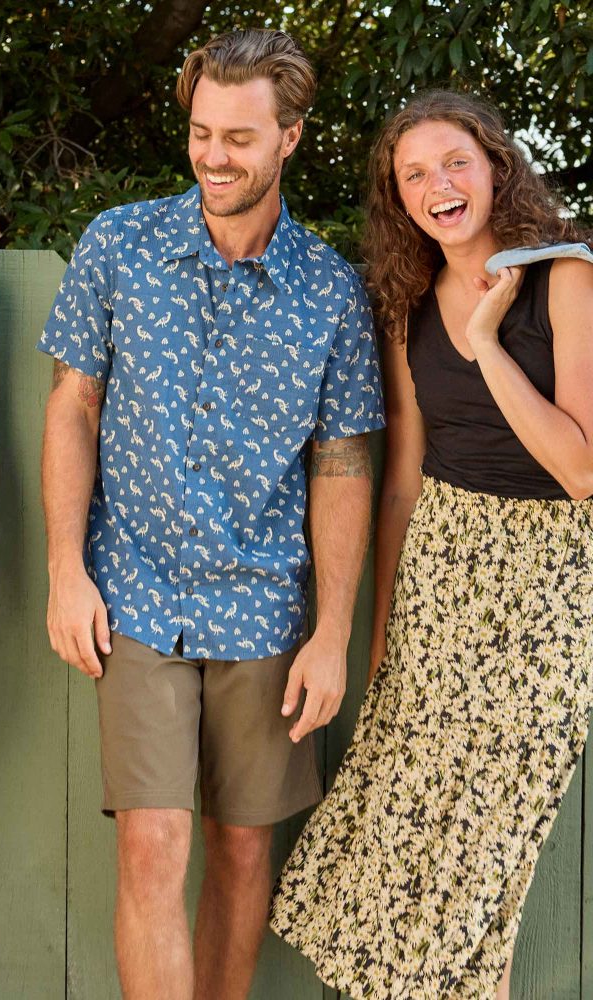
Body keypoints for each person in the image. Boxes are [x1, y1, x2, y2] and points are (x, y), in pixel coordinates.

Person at [38, 26, 384, 1000]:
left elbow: (343, 461)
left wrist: (331, 631)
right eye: (200, 133)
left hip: (263, 605)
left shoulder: (328, 292)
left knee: (239, 852)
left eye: (238, 137)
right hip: (136, 592)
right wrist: (65, 568)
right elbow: (71, 406)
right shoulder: (119, 244)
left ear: (289, 138)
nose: (213, 156)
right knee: (152, 843)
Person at [270, 90, 593, 999]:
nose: (438, 185)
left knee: (483, 857)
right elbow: (404, 482)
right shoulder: (405, 306)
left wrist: (488, 342)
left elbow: (581, 468)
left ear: (496, 167)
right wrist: (383, 642)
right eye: (413, 174)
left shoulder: (567, 277)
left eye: (455, 162)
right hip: (440, 578)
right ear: (397, 197)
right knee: (395, 846)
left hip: (549, 590)